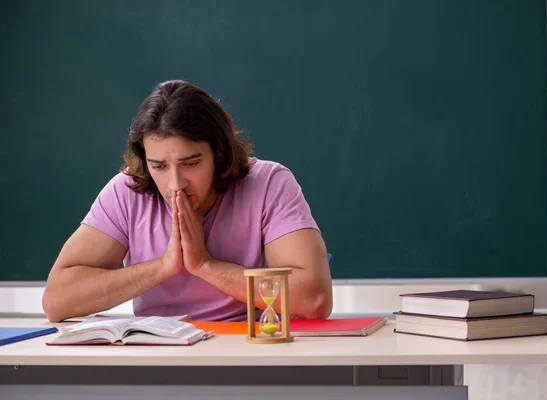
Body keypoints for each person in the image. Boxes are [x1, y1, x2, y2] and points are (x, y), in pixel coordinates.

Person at [42, 80, 333, 322]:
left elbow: (314, 300)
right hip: (159, 358)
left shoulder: (269, 183)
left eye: (191, 164)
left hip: (247, 352)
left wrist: (205, 264)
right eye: (159, 167)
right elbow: (57, 301)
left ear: (218, 151)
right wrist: (164, 266)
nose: (175, 184)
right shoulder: (126, 191)